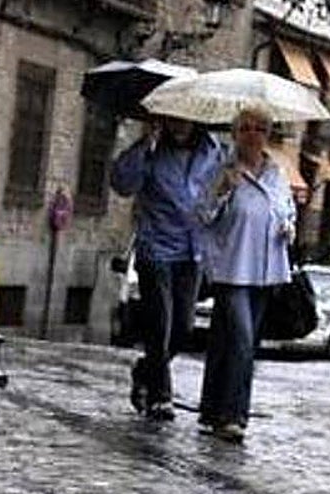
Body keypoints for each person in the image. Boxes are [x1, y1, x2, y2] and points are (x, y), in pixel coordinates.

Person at [110, 115, 224, 421]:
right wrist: (144, 144)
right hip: (155, 248)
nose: (178, 124)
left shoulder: (214, 151)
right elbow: (122, 183)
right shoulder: (152, 150)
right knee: (159, 323)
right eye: (172, 119)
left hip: (193, 251)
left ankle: (145, 370)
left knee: (183, 328)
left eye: (185, 119)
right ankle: (161, 395)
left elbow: (218, 195)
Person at [197, 107, 296, 444]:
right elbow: (203, 214)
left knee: (232, 341)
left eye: (260, 129)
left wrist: (288, 225)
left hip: (266, 271)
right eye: (246, 128)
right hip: (231, 268)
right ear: (236, 132)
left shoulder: (276, 172)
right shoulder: (222, 168)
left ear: (268, 134)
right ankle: (234, 416)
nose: (253, 135)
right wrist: (222, 190)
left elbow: (287, 209)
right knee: (241, 340)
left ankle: (211, 409)